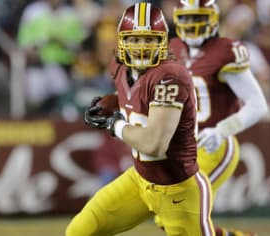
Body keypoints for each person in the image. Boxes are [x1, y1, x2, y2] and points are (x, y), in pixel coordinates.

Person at [67, 2, 215, 236]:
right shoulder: (118, 64)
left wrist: (114, 125)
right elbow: (133, 96)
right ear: (122, 41)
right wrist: (111, 102)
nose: (141, 47)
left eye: (149, 39)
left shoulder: (170, 76)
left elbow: (154, 145)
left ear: (162, 42)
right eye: (134, 39)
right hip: (139, 180)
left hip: (178, 192)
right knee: (80, 230)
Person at [166, 0, 268, 235]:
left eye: (198, 17)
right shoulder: (172, 47)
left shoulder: (226, 51)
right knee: (170, 216)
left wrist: (222, 130)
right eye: (187, 18)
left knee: (178, 211)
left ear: (212, 18)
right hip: (180, 147)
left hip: (212, 143)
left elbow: (258, 105)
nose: (191, 24)